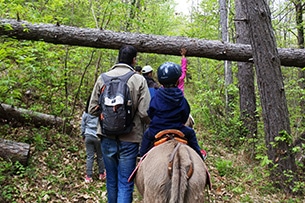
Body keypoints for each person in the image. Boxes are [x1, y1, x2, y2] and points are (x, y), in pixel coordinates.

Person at [88, 45, 151, 203]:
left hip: (106, 136)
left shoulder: (103, 78)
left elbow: (91, 109)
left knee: (111, 181)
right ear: (134, 59)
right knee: (125, 183)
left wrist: (106, 116)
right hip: (129, 139)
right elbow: (144, 113)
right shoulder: (138, 79)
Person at [139, 62, 207, 160]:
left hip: (157, 129)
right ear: (177, 80)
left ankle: (142, 157)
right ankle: (199, 156)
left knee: (146, 136)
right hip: (178, 128)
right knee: (191, 133)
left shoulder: (156, 96)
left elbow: (151, 112)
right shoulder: (181, 97)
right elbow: (185, 113)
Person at [81, 95, 106, 183]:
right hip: (98, 136)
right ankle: (101, 173)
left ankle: (88, 176)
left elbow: (83, 125)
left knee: (89, 156)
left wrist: (83, 135)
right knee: (100, 156)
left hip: (88, 136)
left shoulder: (86, 114)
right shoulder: (100, 114)